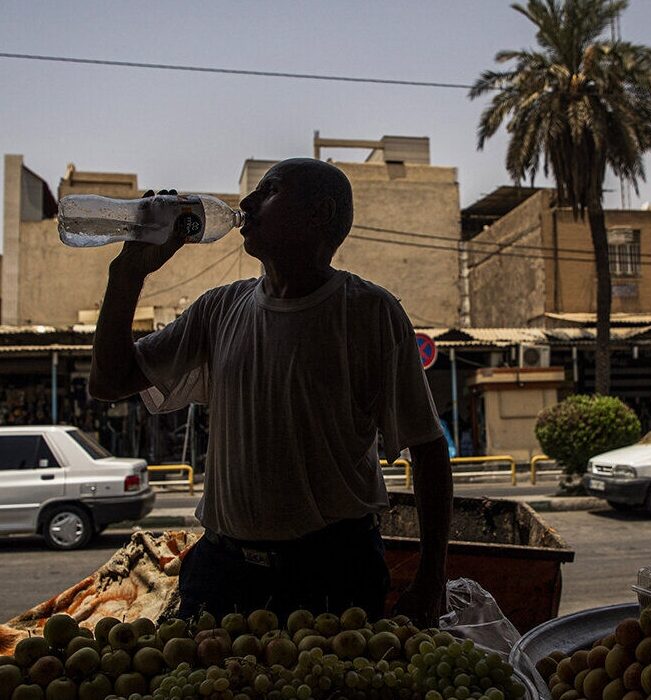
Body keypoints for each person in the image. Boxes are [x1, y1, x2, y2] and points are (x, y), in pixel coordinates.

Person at [88, 158, 453, 625]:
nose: (246, 203)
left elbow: (427, 449)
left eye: (270, 190)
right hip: (223, 573)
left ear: (319, 213)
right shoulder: (219, 308)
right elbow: (109, 381)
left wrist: (431, 578)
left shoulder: (369, 313)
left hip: (332, 575)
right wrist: (127, 276)